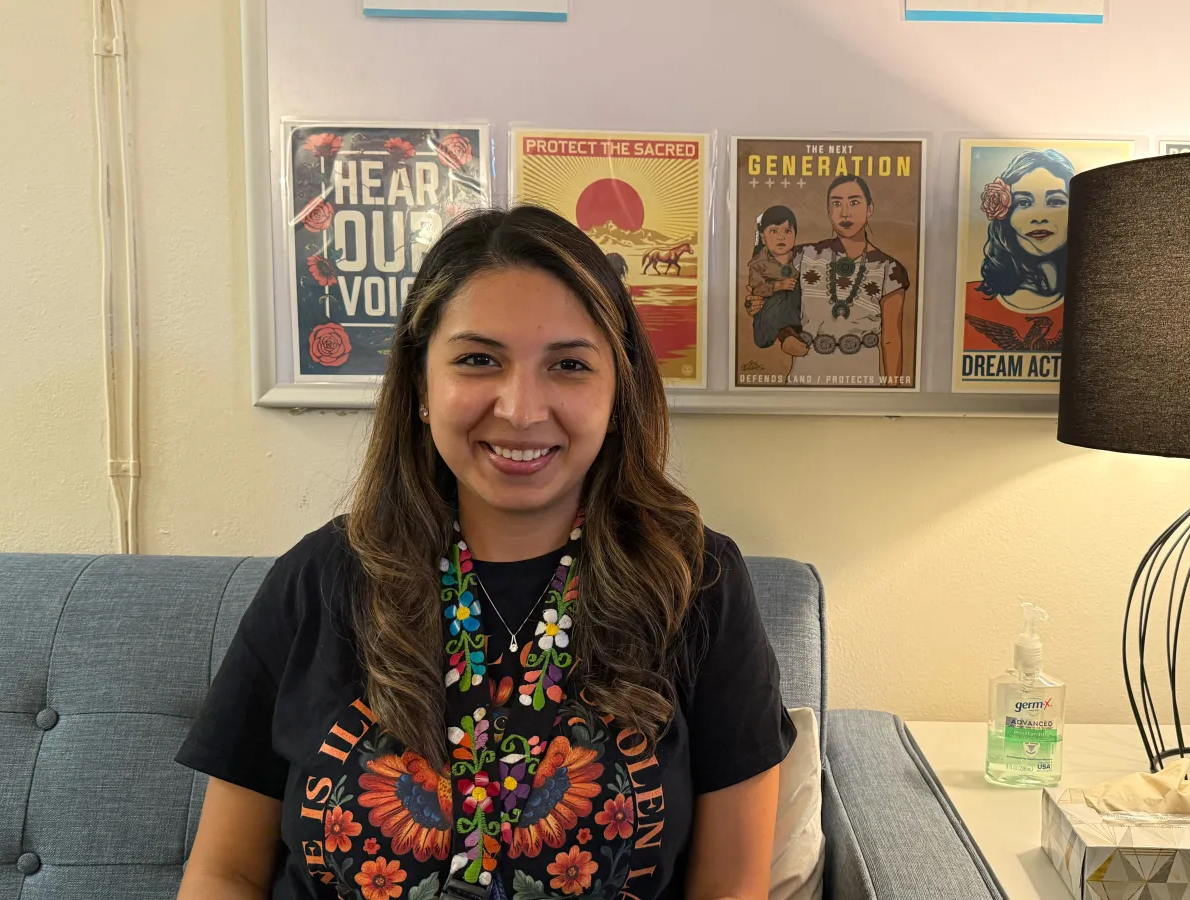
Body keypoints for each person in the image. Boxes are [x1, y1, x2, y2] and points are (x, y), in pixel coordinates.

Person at [176, 206, 795, 900]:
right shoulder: (320, 578)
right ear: (419, 387)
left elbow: (731, 887)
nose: (522, 409)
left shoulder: (696, 583)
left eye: (568, 364)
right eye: (478, 360)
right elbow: (223, 872)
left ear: (618, 389)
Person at [749, 176, 910, 383]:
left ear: (870, 208)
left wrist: (893, 394)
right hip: (806, 373)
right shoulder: (803, 256)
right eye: (836, 203)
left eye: (854, 202)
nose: (845, 212)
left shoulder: (890, 269)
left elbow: (891, 339)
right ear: (828, 211)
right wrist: (785, 336)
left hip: (863, 377)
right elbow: (777, 303)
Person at [961, 149, 1076, 354]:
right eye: (1023, 203)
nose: (1039, 217)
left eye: (1055, 201)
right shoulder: (970, 300)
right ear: (1005, 215)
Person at [745, 205, 803, 350]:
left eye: (788, 231)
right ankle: (786, 336)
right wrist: (777, 286)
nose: (781, 236)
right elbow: (756, 289)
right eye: (773, 231)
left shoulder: (802, 256)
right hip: (770, 310)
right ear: (763, 238)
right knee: (777, 300)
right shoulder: (758, 264)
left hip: (797, 309)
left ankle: (794, 335)